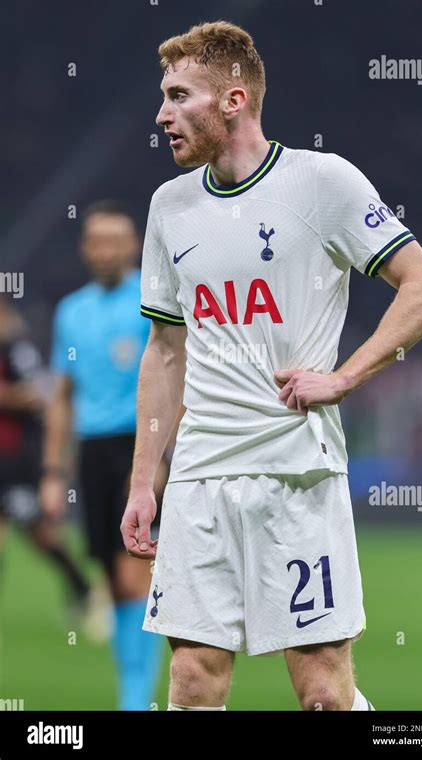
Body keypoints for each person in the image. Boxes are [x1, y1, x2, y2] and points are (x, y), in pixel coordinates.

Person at [121, 21, 422, 711]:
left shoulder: (322, 182)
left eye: (179, 96)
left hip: (295, 473)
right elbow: (166, 351)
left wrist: (344, 377)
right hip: (202, 477)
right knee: (191, 682)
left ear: (233, 100)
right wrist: (145, 481)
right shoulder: (169, 207)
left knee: (323, 691)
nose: (161, 115)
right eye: (163, 97)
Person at [40, 200, 168, 710]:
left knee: (135, 567)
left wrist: (159, 458)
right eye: (97, 240)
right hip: (94, 451)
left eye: (116, 240)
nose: (106, 249)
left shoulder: (150, 297)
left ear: (133, 245)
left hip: (141, 446)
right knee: (114, 580)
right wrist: (54, 471)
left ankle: (135, 702)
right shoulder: (71, 311)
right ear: (85, 247)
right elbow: (63, 399)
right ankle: (131, 692)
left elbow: (174, 373)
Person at [0, 295, 93, 621]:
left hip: (17, 461)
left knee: (40, 535)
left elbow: (42, 393)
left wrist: (8, 396)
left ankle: (81, 585)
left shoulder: (16, 349)